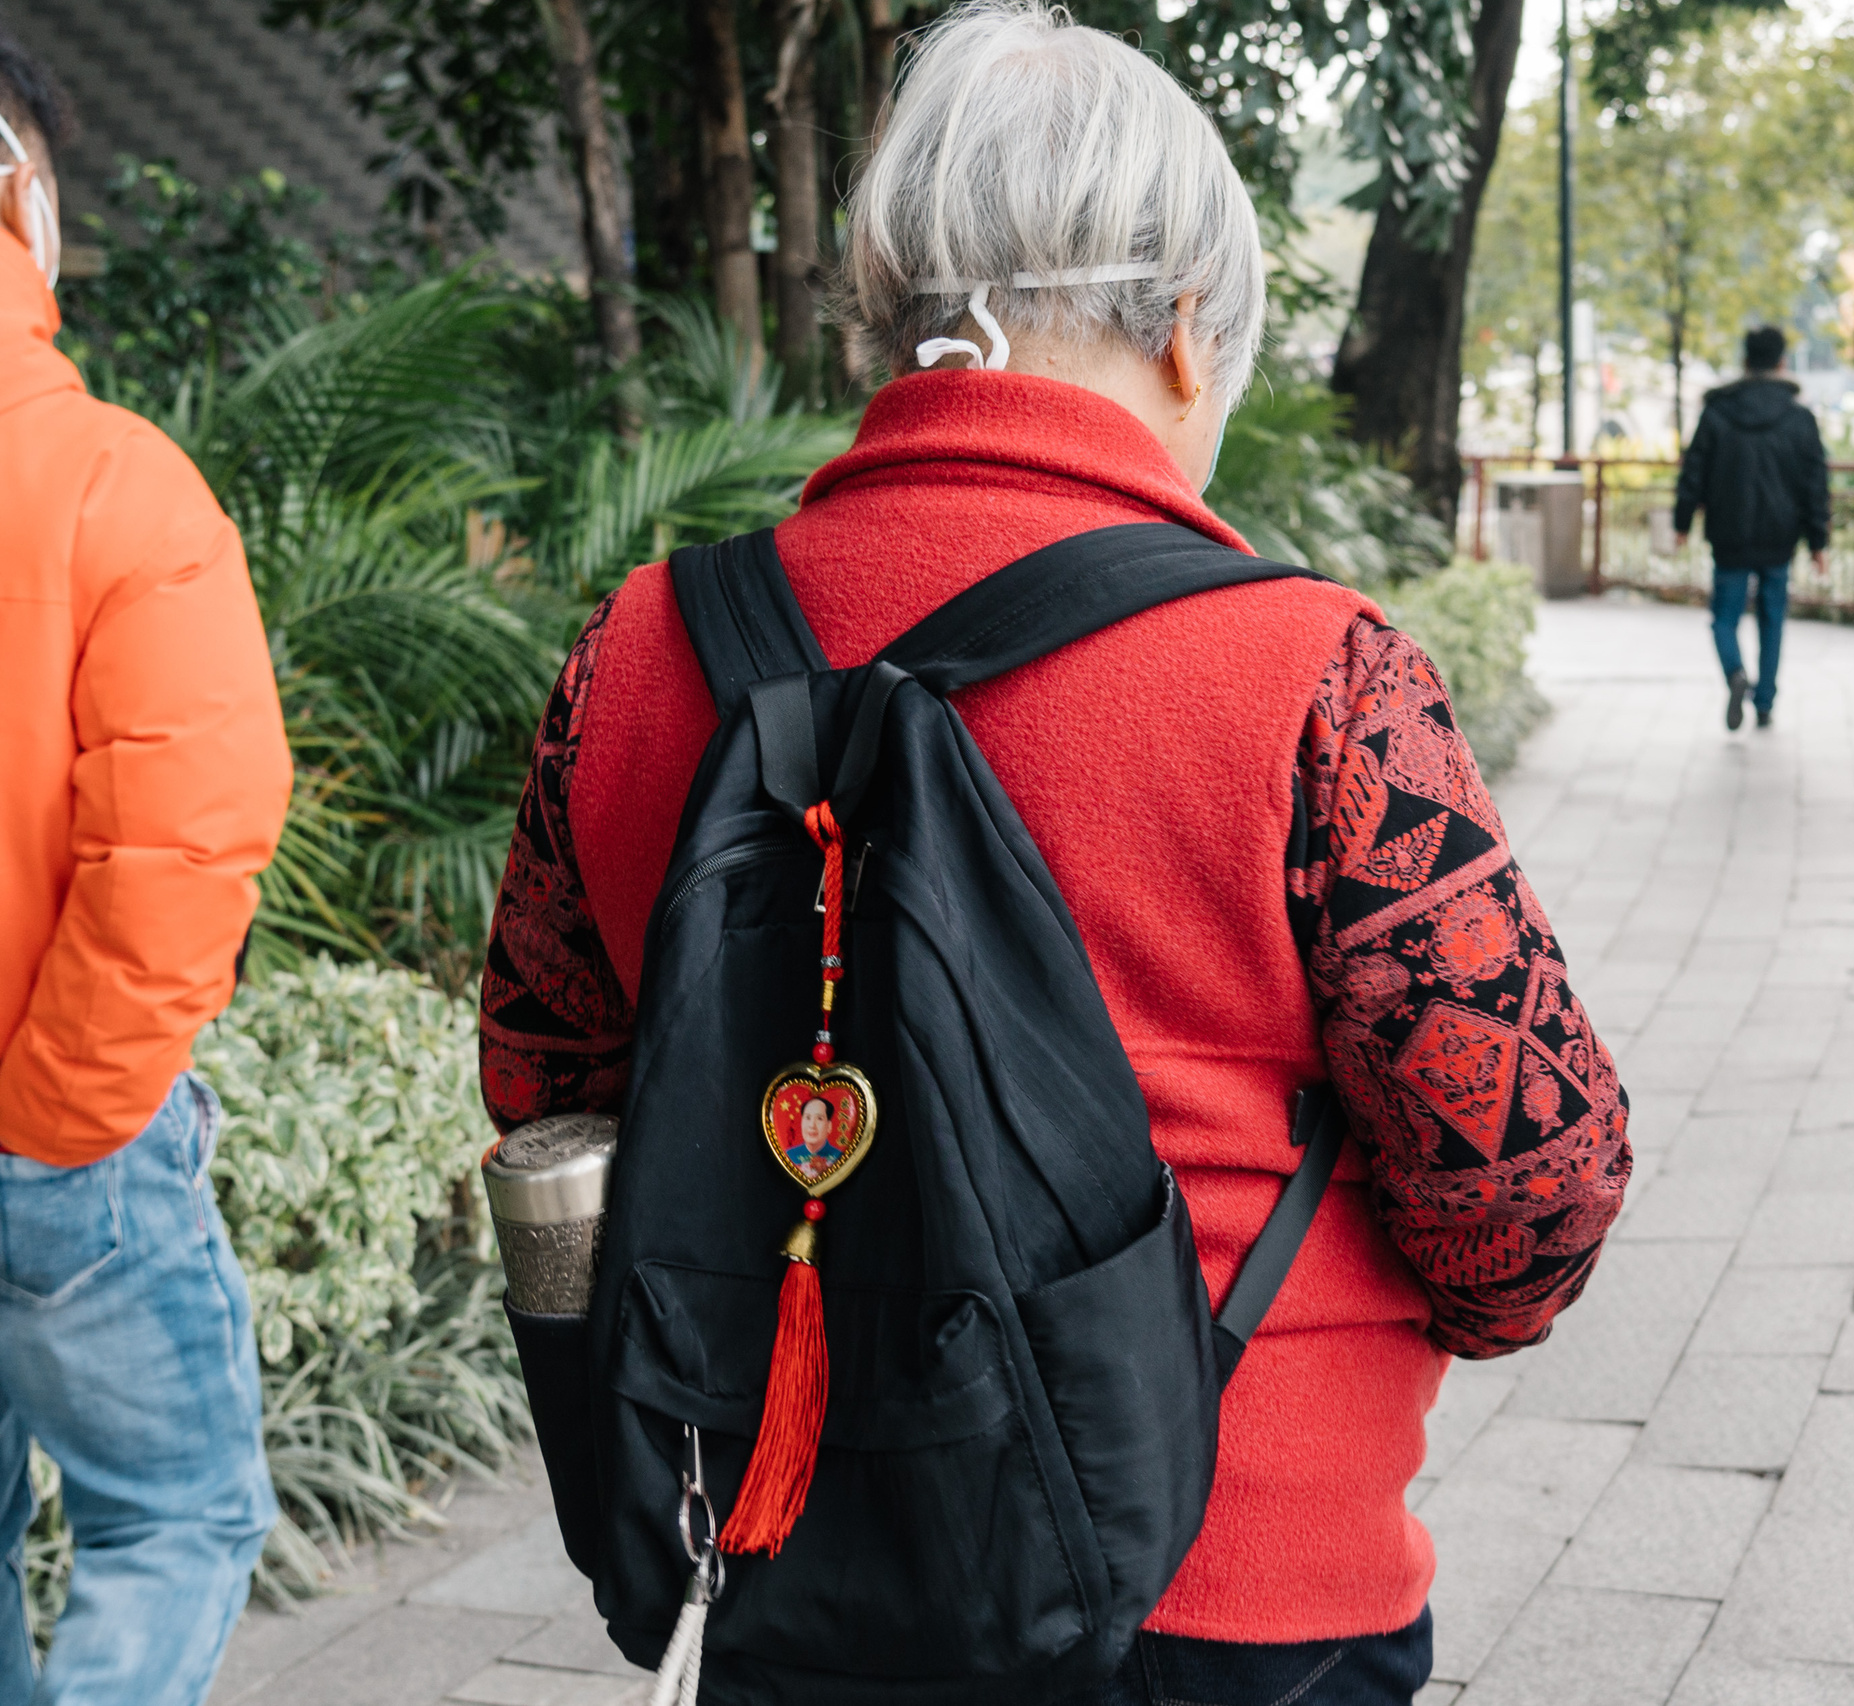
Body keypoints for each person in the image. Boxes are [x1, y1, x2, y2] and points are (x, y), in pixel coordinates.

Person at [475, 7, 1630, 1701]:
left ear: (893, 314)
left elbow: (547, 1083)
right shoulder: (1320, 679)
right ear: (1183, 327)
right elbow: (1531, 1192)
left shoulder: (637, 653)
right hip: (1236, 1588)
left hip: (794, 1575)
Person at [0, 33, 289, 1706]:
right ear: (25, 194)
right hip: (65, 1145)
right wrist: (57, 1115)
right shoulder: (112, 482)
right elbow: (193, 826)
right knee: (174, 1517)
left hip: (53, 1117)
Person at [1673, 324, 1831, 731]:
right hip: (1780, 535)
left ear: (1744, 361)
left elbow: (1693, 471)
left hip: (1729, 534)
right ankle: (1765, 702)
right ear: (1782, 362)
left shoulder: (1717, 412)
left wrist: (1682, 522)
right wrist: (1818, 541)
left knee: (1723, 617)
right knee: (1772, 617)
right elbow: (1815, 482)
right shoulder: (1799, 417)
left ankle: (1735, 674)